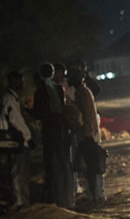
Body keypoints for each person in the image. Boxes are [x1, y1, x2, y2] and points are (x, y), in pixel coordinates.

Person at [31, 63, 73, 208]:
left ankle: (51, 197)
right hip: (60, 129)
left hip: (48, 130)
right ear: (53, 73)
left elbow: (38, 114)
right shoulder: (59, 89)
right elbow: (61, 109)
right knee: (63, 162)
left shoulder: (40, 92)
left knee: (50, 163)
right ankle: (67, 197)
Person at [67, 67, 104, 203]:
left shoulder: (81, 93)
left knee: (90, 167)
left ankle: (94, 195)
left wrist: (84, 133)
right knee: (92, 166)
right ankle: (96, 194)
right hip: (89, 133)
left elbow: (84, 116)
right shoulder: (84, 91)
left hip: (86, 134)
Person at [2, 71, 32, 209]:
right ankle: (19, 201)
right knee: (18, 171)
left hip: (13, 139)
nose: (22, 83)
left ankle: (20, 200)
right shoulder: (10, 99)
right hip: (16, 139)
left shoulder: (10, 98)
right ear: (12, 81)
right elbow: (16, 120)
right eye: (19, 80)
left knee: (17, 170)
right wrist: (27, 136)